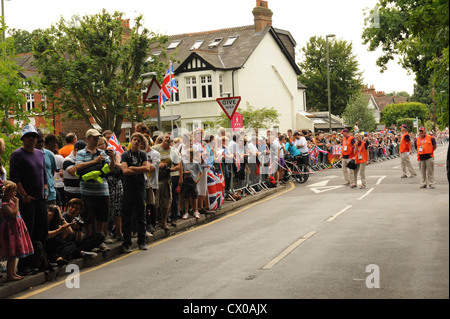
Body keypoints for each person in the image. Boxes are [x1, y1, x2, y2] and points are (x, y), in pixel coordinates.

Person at [9, 124, 48, 276]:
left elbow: (44, 174)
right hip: (27, 201)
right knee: (28, 233)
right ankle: (24, 265)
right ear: (23, 138)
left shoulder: (40, 154)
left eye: (34, 136)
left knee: (42, 231)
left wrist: (45, 191)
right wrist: (24, 196)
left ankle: (39, 260)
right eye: (28, 136)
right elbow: (15, 177)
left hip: (40, 199)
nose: (31, 139)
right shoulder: (17, 154)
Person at [75, 129, 115, 247]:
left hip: (102, 190)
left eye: (98, 137)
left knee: (101, 217)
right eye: (94, 137)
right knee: (87, 217)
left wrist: (112, 159)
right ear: (87, 139)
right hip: (87, 191)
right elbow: (78, 166)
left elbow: (110, 169)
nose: (97, 139)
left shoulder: (102, 153)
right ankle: (89, 241)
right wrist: (95, 161)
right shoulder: (81, 153)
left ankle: (99, 240)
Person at [120, 132, 150, 252]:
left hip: (140, 188)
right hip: (128, 189)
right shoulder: (125, 155)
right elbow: (125, 171)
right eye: (134, 139)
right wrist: (138, 169)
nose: (136, 142)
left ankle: (141, 241)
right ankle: (127, 243)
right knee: (127, 217)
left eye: (139, 140)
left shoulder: (142, 154)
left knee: (141, 216)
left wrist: (132, 168)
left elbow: (147, 168)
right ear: (131, 141)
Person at [0, 180, 34, 281]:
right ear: (7, 192)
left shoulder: (11, 201)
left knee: (15, 252)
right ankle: (9, 275)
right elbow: (13, 214)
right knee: (11, 253)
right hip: (10, 231)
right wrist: (17, 202)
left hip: (16, 230)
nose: (15, 193)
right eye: (13, 191)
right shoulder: (5, 204)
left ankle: (13, 272)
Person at [153, 132, 182, 231]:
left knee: (166, 202)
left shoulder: (173, 151)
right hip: (155, 180)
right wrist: (158, 165)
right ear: (163, 138)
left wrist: (170, 169)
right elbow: (148, 160)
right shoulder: (155, 149)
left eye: (170, 139)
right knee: (155, 203)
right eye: (166, 137)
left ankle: (164, 222)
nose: (168, 139)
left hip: (166, 180)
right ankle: (155, 221)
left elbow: (178, 165)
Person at [97, 136, 123, 243]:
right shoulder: (96, 156)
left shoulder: (114, 153)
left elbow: (118, 166)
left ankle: (119, 232)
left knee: (117, 210)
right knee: (105, 210)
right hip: (104, 183)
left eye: (102, 144)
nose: (101, 146)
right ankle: (105, 234)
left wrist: (112, 159)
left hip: (116, 183)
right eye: (98, 145)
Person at [181, 148, 203, 219]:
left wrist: (198, 179)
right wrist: (184, 173)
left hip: (193, 180)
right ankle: (186, 212)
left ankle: (195, 211)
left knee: (195, 196)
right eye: (187, 154)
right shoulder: (184, 163)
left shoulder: (196, 163)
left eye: (189, 154)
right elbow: (182, 171)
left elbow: (201, 172)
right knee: (186, 197)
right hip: (186, 180)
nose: (188, 155)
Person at [62, 140, 86, 204]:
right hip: (71, 192)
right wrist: (80, 162)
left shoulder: (84, 160)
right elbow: (72, 172)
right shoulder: (67, 160)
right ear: (76, 150)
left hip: (82, 191)